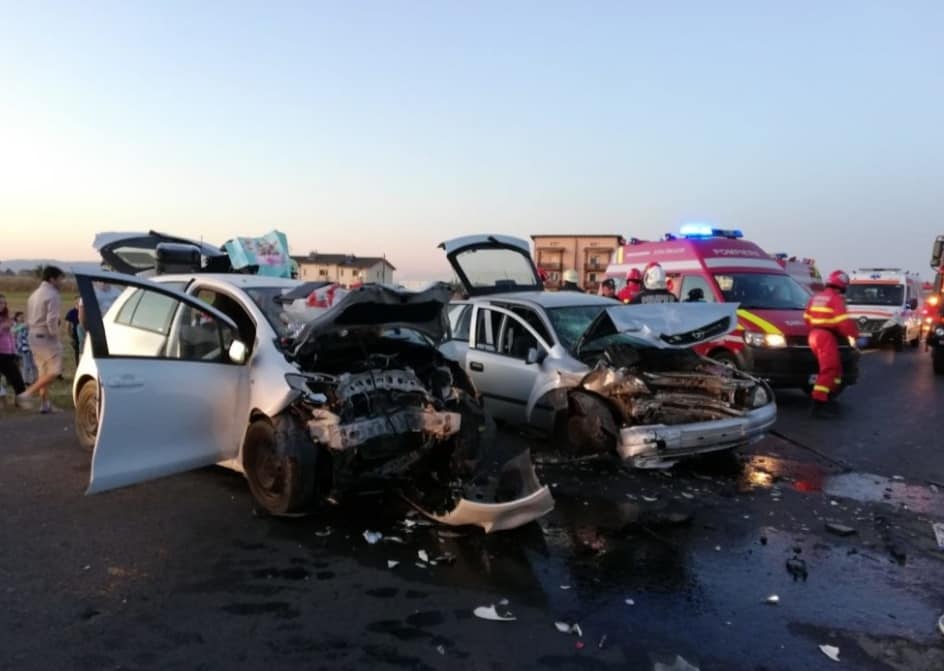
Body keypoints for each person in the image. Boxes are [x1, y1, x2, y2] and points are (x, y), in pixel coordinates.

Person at [803, 269, 859, 418]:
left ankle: (828, 397)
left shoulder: (816, 297)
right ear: (842, 285)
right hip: (826, 336)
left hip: (814, 334)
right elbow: (844, 322)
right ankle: (818, 405)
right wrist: (855, 335)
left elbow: (806, 318)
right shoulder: (835, 299)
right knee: (830, 369)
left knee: (836, 369)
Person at [15, 266, 66, 413]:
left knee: (43, 372)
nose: (62, 282)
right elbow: (52, 320)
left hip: (33, 335)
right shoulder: (53, 294)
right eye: (60, 279)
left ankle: (45, 405)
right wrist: (56, 335)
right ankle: (26, 394)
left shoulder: (34, 294)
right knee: (55, 370)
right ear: (52, 279)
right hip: (46, 337)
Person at [0, 294, 28, 405]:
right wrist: (3, 327)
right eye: (0, 303)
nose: (2, 305)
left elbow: (11, 334)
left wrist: (14, 351)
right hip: (1, 354)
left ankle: (19, 401)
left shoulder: (5, 317)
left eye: (4, 303)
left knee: (17, 379)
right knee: (15, 378)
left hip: (9, 353)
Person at [12, 311, 36, 385]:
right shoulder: (15, 325)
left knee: (32, 364)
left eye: (23, 316)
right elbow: (13, 332)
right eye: (20, 317)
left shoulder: (26, 325)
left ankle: (33, 379)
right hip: (22, 348)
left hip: (29, 347)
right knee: (25, 365)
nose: (22, 318)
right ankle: (25, 380)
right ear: (16, 318)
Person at [64, 297, 81, 365]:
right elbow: (67, 326)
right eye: (78, 302)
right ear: (75, 303)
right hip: (76, 336)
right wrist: (71, 337)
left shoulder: (86, 310)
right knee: (77, 353)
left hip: (85, 335)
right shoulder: (71, 313)